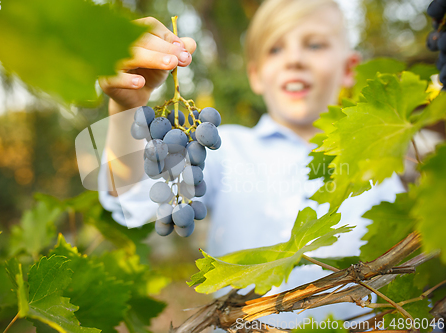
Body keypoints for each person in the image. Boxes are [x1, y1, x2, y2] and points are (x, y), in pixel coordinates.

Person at [97, 0, 405, 328]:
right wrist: (126, 111)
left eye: (314, 44)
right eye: (275, 49)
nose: (295, 59)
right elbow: (133, 199)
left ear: (349, 69)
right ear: (255, 75)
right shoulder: (225, 149)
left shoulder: (380, 165)